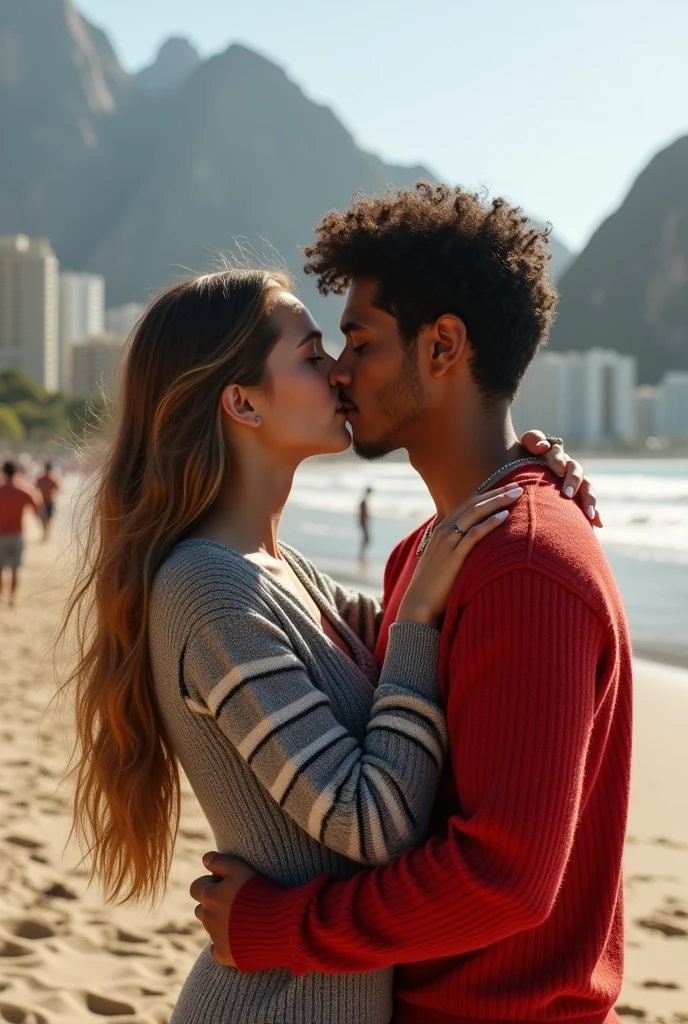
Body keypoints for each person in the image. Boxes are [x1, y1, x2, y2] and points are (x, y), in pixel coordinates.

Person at [60, 259, 593, 1024]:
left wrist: (522, 474)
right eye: (312, 357)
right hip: (273, 1005)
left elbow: (448, 643)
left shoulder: (285, 573)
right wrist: (412, 621)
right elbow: (372, 822)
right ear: (242, 402)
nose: (339, 375)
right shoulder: (210, 591)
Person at [192, 185, 631, 1024]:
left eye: (359, 340)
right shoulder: (434, 553)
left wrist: (279, 928)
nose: (340, 369)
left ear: (443, 346)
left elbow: (504, 879)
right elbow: (316, 626)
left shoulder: (523, 562)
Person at [0, 460, 45, 607]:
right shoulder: (24, 490)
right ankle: (13, 598)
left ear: (3, 472)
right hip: (17, 535)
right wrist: (43, 528)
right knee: (15, 568)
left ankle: (2, 593)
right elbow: (38, 508)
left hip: (1, 535)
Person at [35, 460, 60, 542]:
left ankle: (46, 534)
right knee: (44, 518)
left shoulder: (48, 479)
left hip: (48, 501)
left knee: (47, 519)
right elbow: (57, 489)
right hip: (46, 501)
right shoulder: (50, 479)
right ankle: (46, 534)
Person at [358, 486, 373, 565]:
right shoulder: (363, 502)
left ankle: (362, 555)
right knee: (366, 539)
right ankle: (362, 555)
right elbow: (362, 514)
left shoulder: (364, 501)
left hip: (364, 523)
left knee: (366, 539)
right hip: (363, 523)